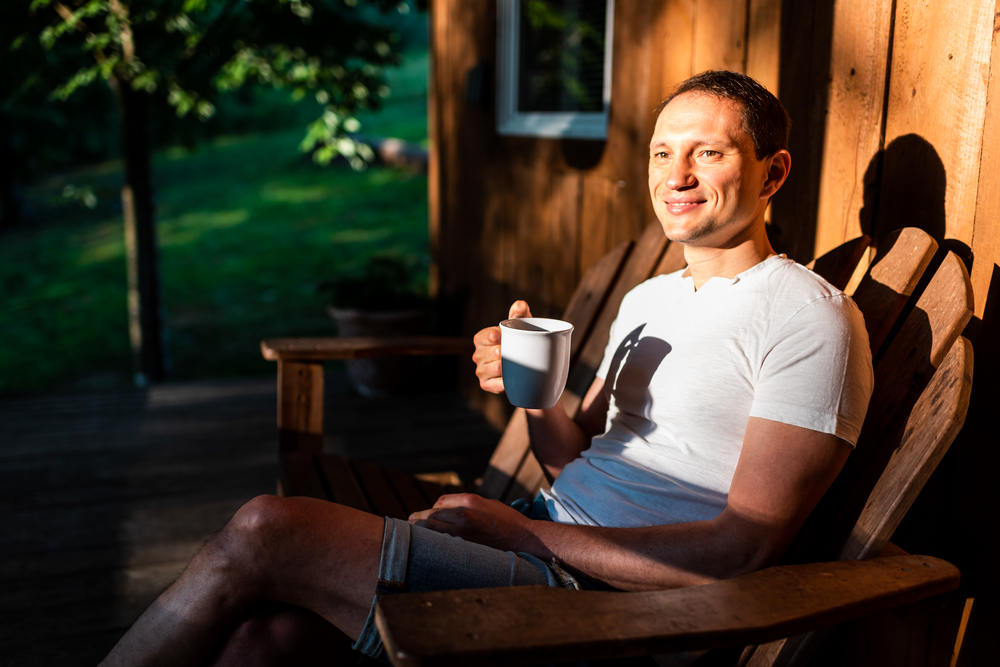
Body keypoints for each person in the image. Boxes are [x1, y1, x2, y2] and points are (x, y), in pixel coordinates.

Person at [100, 70, 873, 666]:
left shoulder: (807, 317)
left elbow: (742, 551)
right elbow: (575, 456)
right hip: (538, 541)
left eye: (708, 153)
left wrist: (527, 539)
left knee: (270, 527)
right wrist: (531, 392)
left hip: (611, 608)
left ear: (772, 174)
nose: (677, 175)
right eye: (663, 152)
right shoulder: (652, 296)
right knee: (266, 643)